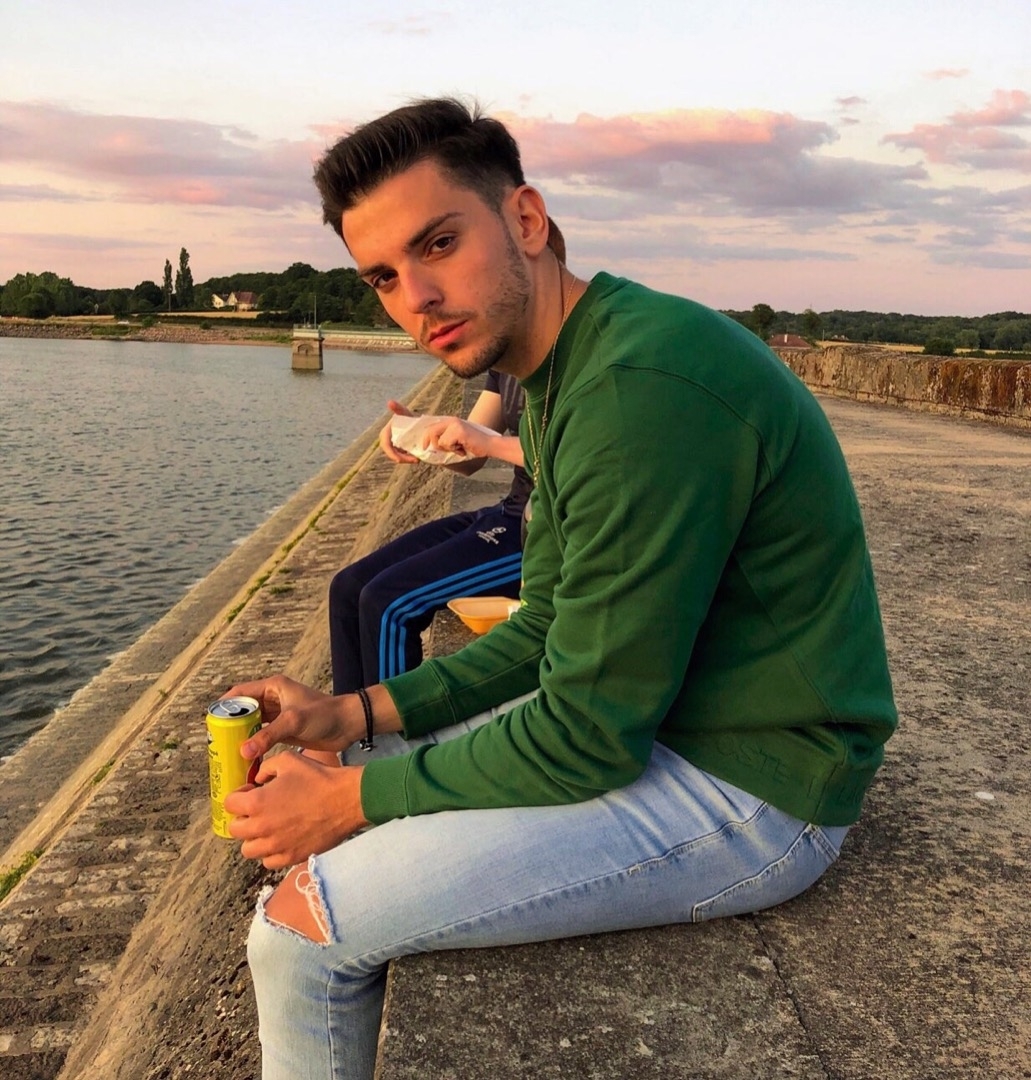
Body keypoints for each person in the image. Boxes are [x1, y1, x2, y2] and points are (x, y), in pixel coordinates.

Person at [224, 97, 897, 1080]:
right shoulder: (565, 369)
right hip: (670, 721)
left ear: (526, 220)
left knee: (297, 930)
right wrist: (351, 715)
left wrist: (352, 800)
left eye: (439, 243)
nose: (417, 298)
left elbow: (585, 733)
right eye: (383, 276)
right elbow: (545, 626)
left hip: (755, 785)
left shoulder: (635, 392)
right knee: (363, 756)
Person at [328, 369, 529, 692]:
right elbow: (470, 457)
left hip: (546, 533)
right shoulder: (508, 361)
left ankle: (387, 724)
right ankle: (342, 720)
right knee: (348, 587)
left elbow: (577, 452)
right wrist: (421, 437)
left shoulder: (585, 356)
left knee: (389, 604)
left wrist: (491, 443)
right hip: (508, 512)